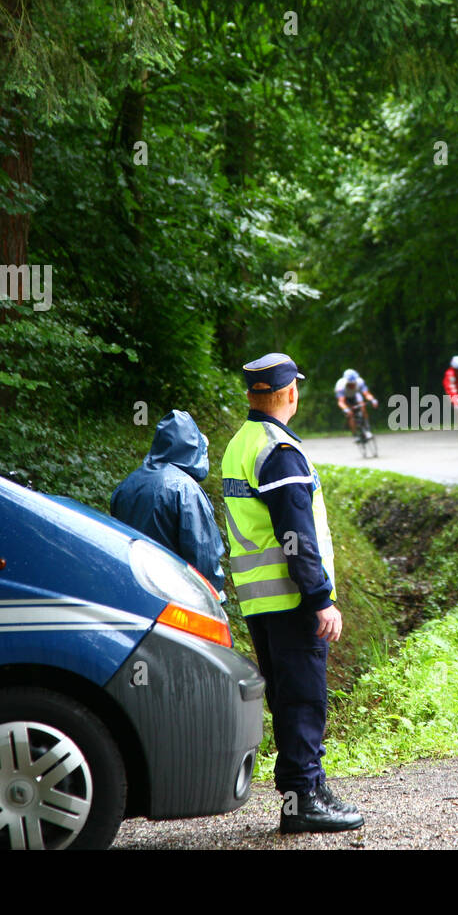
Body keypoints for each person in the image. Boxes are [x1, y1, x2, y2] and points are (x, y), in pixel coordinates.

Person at [219, 353, 363, 833]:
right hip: (291, 597)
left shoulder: (241, 443)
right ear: (290, 393)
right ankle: (304, 801)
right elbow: (295, 533)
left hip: (259, 600)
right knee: (303, 698)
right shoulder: (280, 451)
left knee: (286, 698)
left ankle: (303, 790)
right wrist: (320, 597)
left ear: (252, 393)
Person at [111, 409, 226, 594]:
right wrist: (214, 595)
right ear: (195, 449)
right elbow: (203, 554)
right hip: (174, 595)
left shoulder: (129, 483)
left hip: (132, 588)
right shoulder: (186, 489)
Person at [335, 369, 378, 435]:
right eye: (349, 384)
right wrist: (346, 409)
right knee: (350, 414)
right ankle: (355, 434)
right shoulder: (340, 385)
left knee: (363, 407)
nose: (352, 385)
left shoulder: (360, 381)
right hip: (346, 398)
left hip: (356, 395)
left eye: (353, 383)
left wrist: (373, 400)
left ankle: (367, 428)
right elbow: (341, 402)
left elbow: (366, 394)